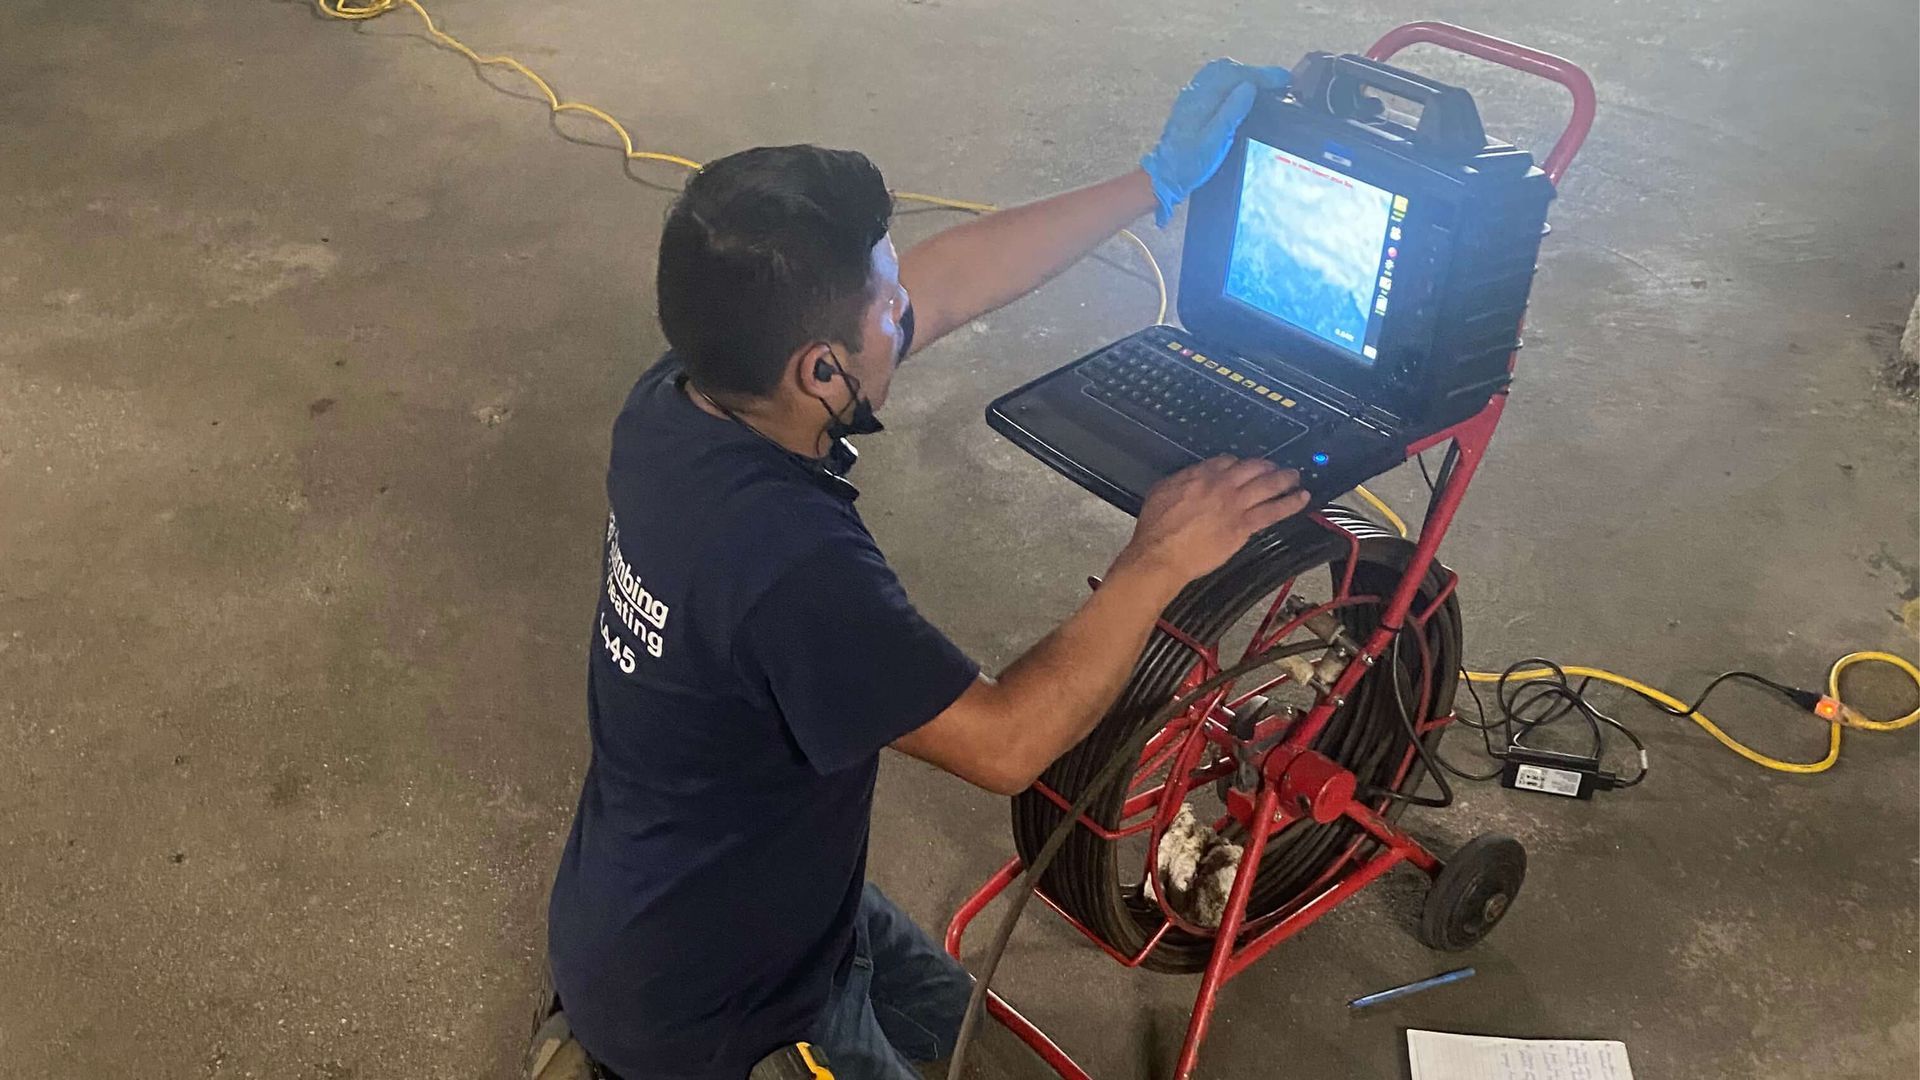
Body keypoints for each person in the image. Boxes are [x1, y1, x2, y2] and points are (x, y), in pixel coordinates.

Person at [542, 58, 1307, 1080]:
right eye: (886, 303)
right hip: (726, 1004)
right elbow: (1005, 745)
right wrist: (1157, 559)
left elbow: (943, 284)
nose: (911, 307)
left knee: (961, 1036)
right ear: (821, 371)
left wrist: (1153, 184)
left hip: (729, 904)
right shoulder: (793, 567)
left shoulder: (681, 397)